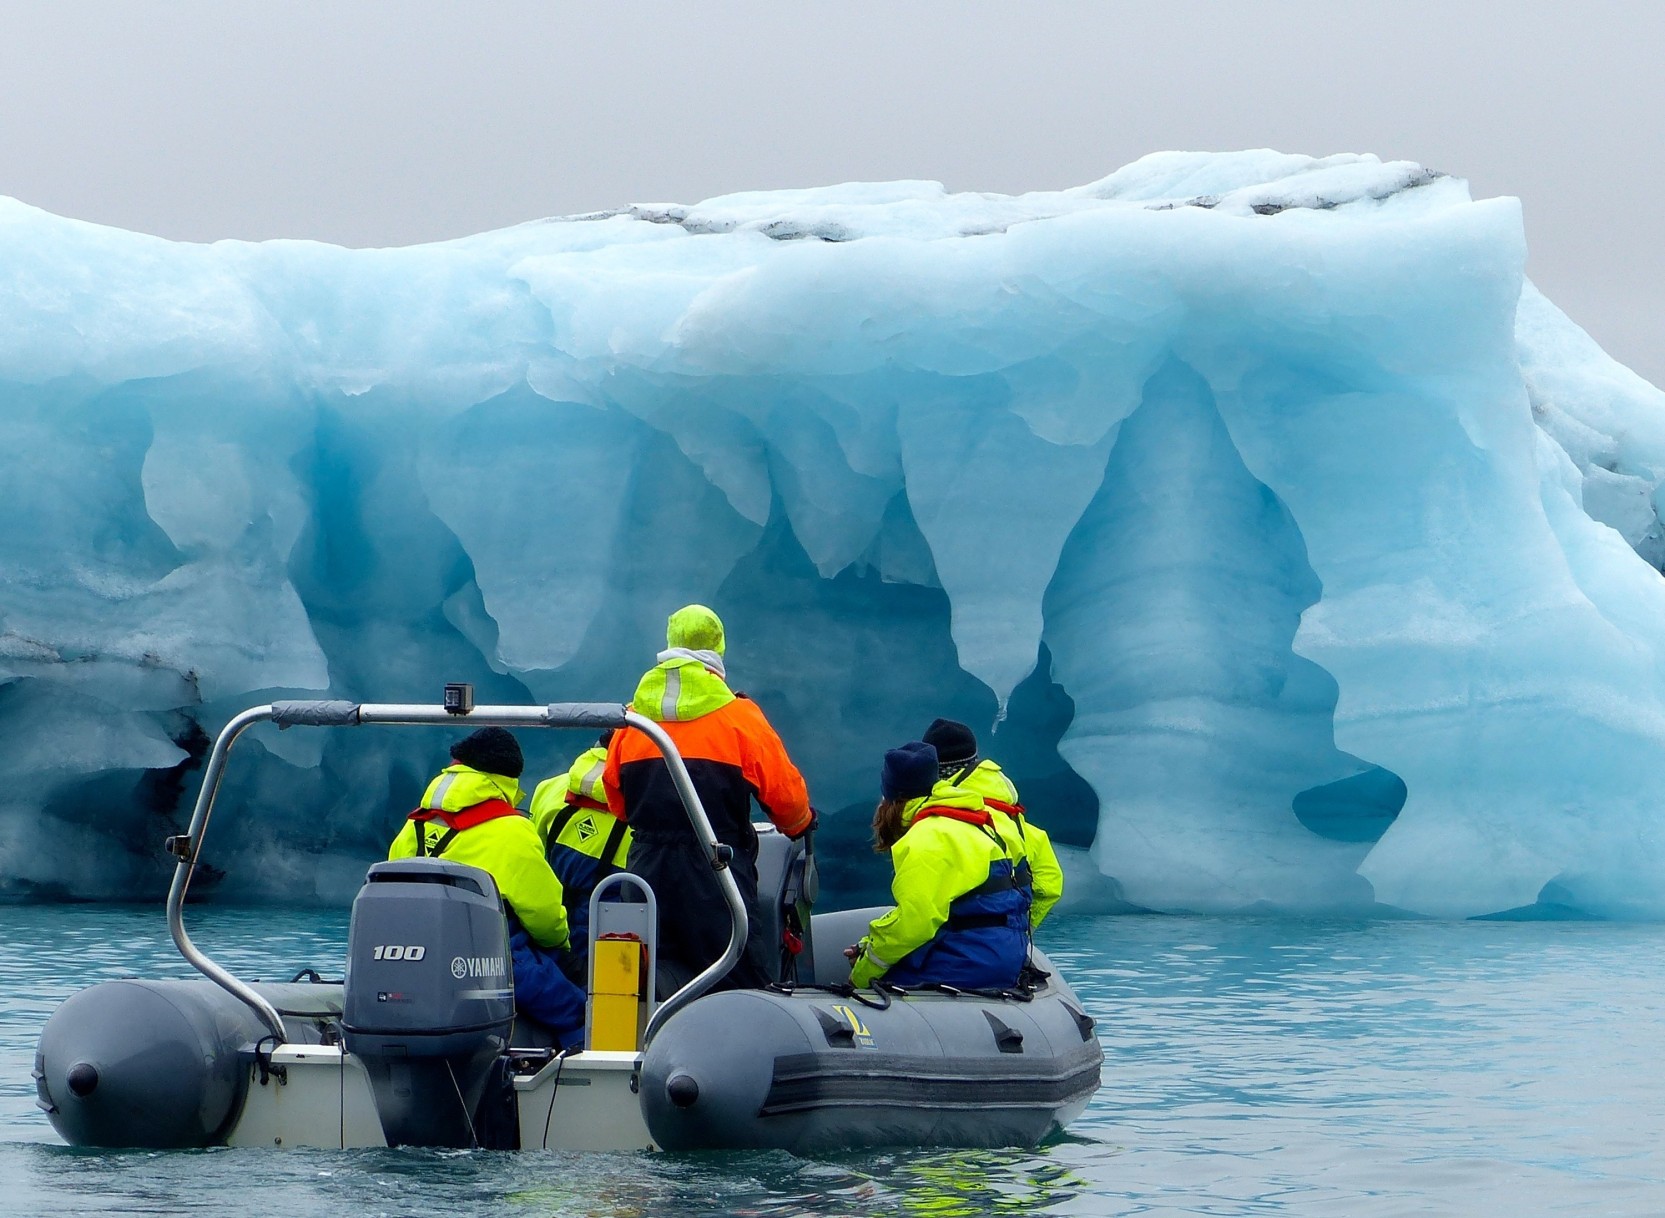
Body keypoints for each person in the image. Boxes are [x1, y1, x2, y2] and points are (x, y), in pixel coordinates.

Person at [603, 604, 812, 994]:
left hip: (646, 867)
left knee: (645, 978)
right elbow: (786, 798)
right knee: (736, 976)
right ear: (717, 650)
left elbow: (616, 799)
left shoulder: (633, 722)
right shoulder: (739, 718)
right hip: (716, 870)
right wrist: (800, 823)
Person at [388, 727, 585, 1046]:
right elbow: (544, 915)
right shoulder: (512, 830)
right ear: (508, 777)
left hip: (417, 959)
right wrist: (563, 948)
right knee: (575, 1010)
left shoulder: (416, 825)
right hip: (493, 959)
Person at [847, 741, 1028, 991]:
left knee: (871, 989)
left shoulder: (926, 837)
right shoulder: (975, 824)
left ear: (892, 798)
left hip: (967, 964)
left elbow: (915, 923)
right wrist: (868, 944)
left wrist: (862, 974)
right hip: (1003, 957)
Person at [921, 717, 1064, 929]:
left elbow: (921, 909)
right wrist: (1022, 927)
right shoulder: (1015, 821)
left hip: (956, 947)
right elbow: (1050, 884)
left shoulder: (937, 823)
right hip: (1008, 944)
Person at [529, 731, 633, 968]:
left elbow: (537, 865)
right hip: (619, 949)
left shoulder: (548, 788)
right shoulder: (652, 803)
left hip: (553, 946)